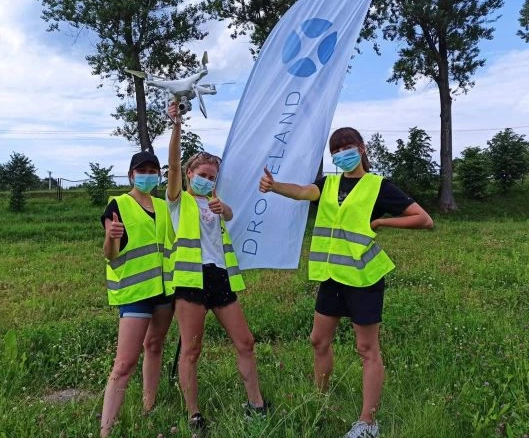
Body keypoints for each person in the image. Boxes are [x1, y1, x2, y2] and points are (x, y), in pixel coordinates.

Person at [259, 127, 433, 438]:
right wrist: (274, 186)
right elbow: (302, 191)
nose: (342, 154)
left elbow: (423, 219)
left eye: (347, 147)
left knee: (367, 349)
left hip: (363, 279)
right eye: (336, 150)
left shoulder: (378, 186)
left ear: (362, 148)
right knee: (318, 340)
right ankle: (321, 400)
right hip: (332, 276)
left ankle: (368, 423)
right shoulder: (329, 184)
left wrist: (380, 221)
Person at [165, 103, 267, 432]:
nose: (208, 181)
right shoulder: (178, 200)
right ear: (189, 175)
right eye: (202, 175)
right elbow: (173, 165)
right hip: (191, 281)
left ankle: (256, 404)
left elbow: (230, 218)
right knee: (191, 349)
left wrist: (224, 209)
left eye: (212, 177)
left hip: (220, 278)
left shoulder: (215, 203)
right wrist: (177, 127)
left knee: (246, 342)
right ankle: (193, 414)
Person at [99, 151, 174, 437]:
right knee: (124, 363)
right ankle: (106, 429)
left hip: (164, 291)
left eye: (153, 170)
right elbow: (110, 254)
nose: (148, 175)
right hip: (135, 292)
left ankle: (148, 406)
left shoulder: (163, 206)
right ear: (131, 175)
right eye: (142, 170)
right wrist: (110, 237)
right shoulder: (118, 205)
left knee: (154, 347)